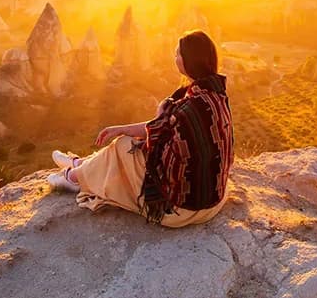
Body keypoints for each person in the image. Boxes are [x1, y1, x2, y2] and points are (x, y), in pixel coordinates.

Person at [47, 30, 234, 227]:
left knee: (124, 146)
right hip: (212, 200)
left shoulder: (186, 109)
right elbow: (163, 130)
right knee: (129, 140)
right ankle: (81, 165)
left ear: (190, 61)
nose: (175, 57)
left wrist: (153, 118)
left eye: (178, 54)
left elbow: (156, 142)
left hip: (182, 209)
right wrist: (122, 127)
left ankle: (74, 178)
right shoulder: (216, 94)